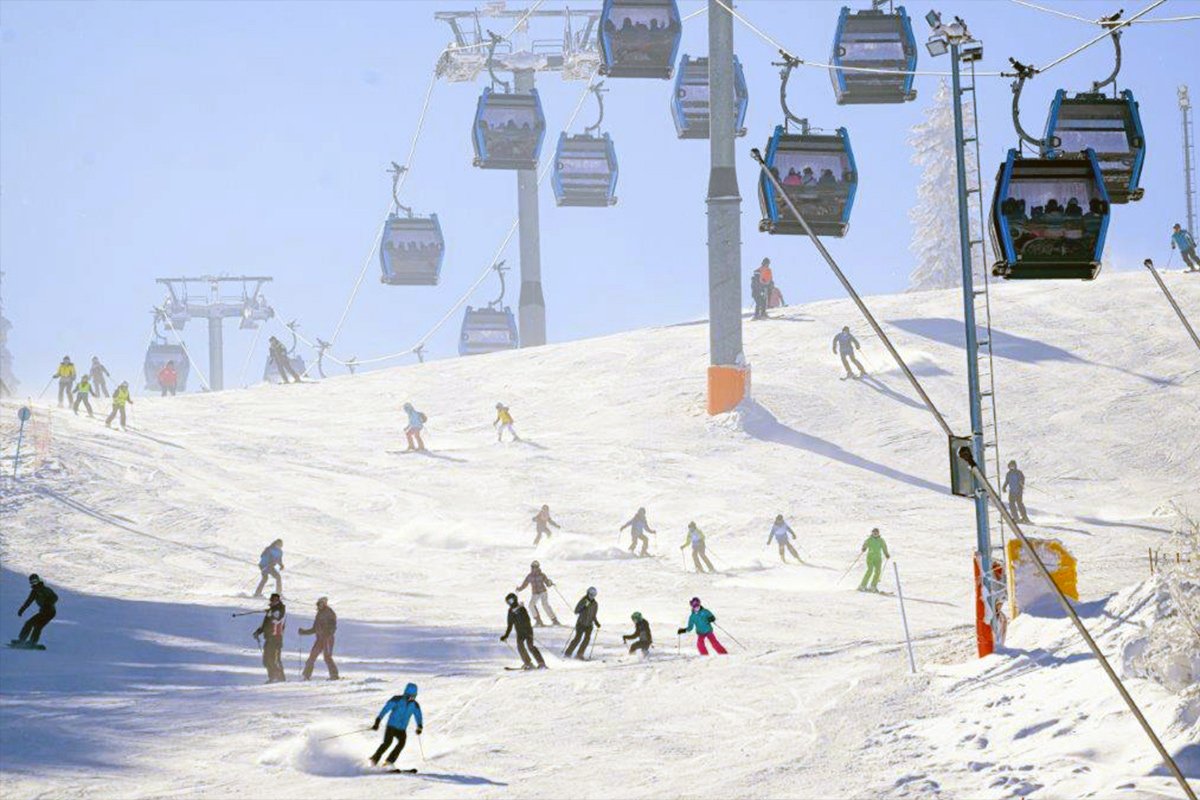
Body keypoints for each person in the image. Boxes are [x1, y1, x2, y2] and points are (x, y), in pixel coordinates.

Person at [370, 683, 423, 767]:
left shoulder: (415, 705)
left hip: (402, 729)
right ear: (406, 694)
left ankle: (389, 762)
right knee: (387, 743)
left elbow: (418, 716)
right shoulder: (397, 700)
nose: (412, 698)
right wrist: (378, 721)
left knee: (402, 743)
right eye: (410, 696)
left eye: (414, 696)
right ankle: (374, 759)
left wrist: (419, 726)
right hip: (391, 726)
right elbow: (385, 709)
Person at [501, 593, 546, 669]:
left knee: (530, 646)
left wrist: (526, 630)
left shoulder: (521, 609)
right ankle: (528, 663)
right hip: (519, 632)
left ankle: (541, 663)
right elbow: (510, 624)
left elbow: (527, 620)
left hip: (527, 631)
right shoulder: (510, 611)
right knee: (520, 646)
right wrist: (506, 635)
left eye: (511, 600)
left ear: (515, 599)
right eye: (508, 601)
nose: (510, 603)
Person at [299, 596, 338, 681]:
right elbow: (314, 629)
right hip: (319, 639)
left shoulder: (329, 612)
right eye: (319, 604)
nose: (319, 605)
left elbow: (333, 626)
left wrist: (328, 633)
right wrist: (304, 632)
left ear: (325, 604)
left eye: (321, 603)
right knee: (312, 656)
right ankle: (306, 675)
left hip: (327, 638)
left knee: (327, 657)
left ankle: (334, 675)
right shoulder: (319, 614)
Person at [14, 574, 58, 647]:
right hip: (43, 612)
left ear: (38, 580)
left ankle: (32, 642)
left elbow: (55, 597)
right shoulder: (34, 592)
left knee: (38, 626)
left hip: (50, 612)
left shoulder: (45, 589)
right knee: (29, 623)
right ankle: (21, 640)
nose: (34, 583)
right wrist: (22, 609)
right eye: (32, 582)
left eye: (35, 581)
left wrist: (48, 603)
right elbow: (28, 601)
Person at [252, 593, 287, 683]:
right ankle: (272, 677)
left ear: (278, 600)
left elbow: (277, 619)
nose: (273, 601)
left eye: (276, 600)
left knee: (275, 659)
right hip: (269, 639)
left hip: (276, 638)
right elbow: (265, 625)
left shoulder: (281, 609)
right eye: (272, 600)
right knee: (266, 660)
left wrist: (271, 612)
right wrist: (258, 632)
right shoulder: (272, 610)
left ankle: (280, 678)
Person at [516, 560, 560, 626]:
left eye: (536, 567)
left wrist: (550, 583)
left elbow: (547, 583)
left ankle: (554, 620)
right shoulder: (529, 576)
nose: (534, 568)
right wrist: (519, 589)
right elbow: (525, 584)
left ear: (538, 567)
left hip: (543, 592)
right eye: (533, 567)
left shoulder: (542, 575)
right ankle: (538, 621)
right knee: (531, 605)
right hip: (535, 593)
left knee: (545, 604)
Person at [564, 586, 600, 660]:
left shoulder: (595, 604)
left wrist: (596, 622)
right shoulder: (583, 601)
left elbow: (593, 615)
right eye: (591, 594)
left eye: (594, 595)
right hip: (581, 623)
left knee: (587, 639)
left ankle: (580, 654)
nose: (592, 596)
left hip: (589, 625)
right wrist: (583, 607)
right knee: (577, 639)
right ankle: (568, 653)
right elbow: (576, 611)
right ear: (588, 593)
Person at [858, 528, 890, 593]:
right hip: (870, 558)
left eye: (876, 532)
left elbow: (884, 547)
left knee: (878, 572)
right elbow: (865, 544)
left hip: (878, 558)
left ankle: (873, 586)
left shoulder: (881, 540)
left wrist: (886, 554)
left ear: (878, 533)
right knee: (870, 570)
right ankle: (862, 585)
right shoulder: (869, 540)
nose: (875, 533)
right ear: (872, 533)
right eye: (874, 532)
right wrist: (864, 548)